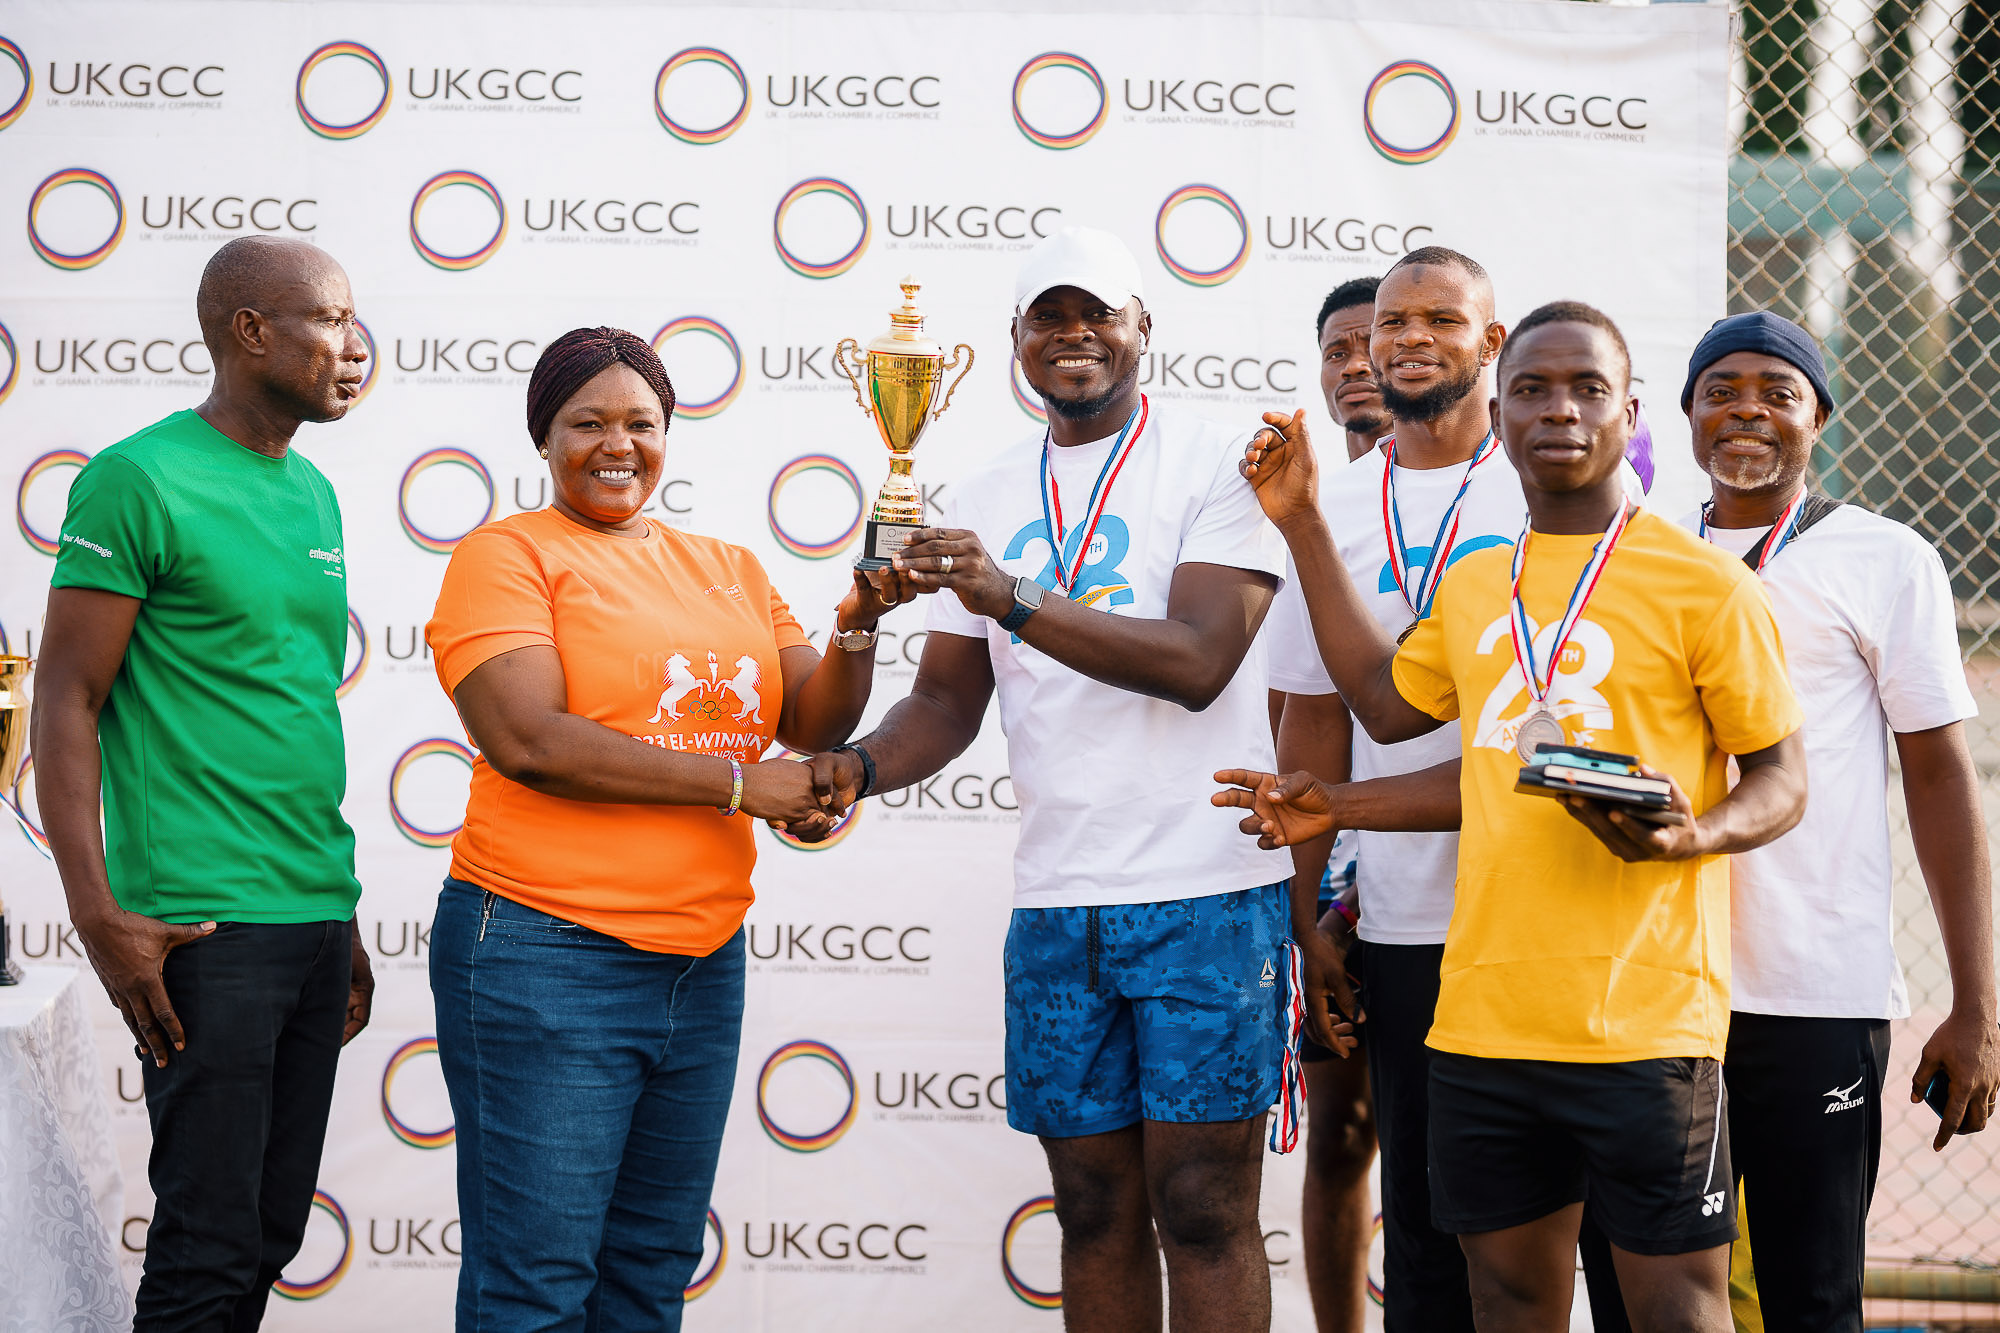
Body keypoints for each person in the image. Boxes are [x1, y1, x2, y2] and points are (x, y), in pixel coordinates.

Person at [1229, 301, 1808, 1331]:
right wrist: (1304, 522)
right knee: (1503, 1303)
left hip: (1644, 1023)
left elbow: (1781, 779)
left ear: (1628, 413)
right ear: (1498, 418)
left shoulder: (1706, 586)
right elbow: (1385, 706)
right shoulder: (1474, 585)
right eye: (1533, 390)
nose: (1560, 410)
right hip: (1482, 1023)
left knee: (1676, 1309)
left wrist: (1697, 833)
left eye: (1588, 389)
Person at [807, 226, 1313, 1332]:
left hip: (1203, 895)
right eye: (1049, 315)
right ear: (1016, 340)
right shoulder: (982, 488)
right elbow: (946, 704)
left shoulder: (1218, 463)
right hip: (1058, 906)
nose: (1074, 333)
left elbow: (1199, 662)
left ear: (1143, 328)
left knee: (1203, 1208)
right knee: (1090, 1209)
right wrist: (855, 766)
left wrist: (1014, 597)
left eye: (1098, 313)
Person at [421, 326, 893, 1330]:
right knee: (537, 1285)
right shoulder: (507, 555)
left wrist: (859, 617)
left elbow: (812, 722)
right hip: (545, 947)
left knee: (648, 1272)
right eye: (585, 423)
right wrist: (739, 785)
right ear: (543, 437)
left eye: (641, 422)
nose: (616, 444)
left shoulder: (726, 565)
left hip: (701, 960)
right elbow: (529, 740)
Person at [1579, 313, 1999, 1333]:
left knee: (1810, 1297)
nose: (1746, 411)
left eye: (1777, 391)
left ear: (1819, 416)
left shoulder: (1885, 558)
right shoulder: (1630, 557)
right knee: (1636, 1296)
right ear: (1684, 412)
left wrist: (1977, 1003)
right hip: (1649, 987)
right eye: (1720, 390)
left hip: (1812, 988)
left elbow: (1940, 778)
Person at [32, 235, 375, 1332]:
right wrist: (96, 913)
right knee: (206, 1251)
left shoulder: (315, 492)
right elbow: (66, 698)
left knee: (267, 1237)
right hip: (202, 924)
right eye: (330, 320)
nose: (354, 344)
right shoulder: (137, 478)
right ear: (251, 331)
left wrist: (339, 917)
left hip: (310, 915)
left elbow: (288, 705)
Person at [1264, 249, 1519, 1332]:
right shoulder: (1324, 507)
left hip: (1535, 905)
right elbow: (1315, 712)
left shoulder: (1547, 479)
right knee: (1417, 1213)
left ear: (1489, 341)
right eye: (1390, 324)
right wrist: (1304, 914)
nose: (1409, 339)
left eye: (1439, 320)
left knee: (1535, 1215)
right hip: (1404, 911)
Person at [1279, 274, 1391, 1333]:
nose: (1356, 364)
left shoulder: (1502, 493)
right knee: (1342, 1131)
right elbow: (1294, 708)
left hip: (1454, 856)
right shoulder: (1300, 507)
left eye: (1375, 341)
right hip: (1338, 868)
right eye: (1337, 349)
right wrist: (1306, 901)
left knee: (1459, 1142)